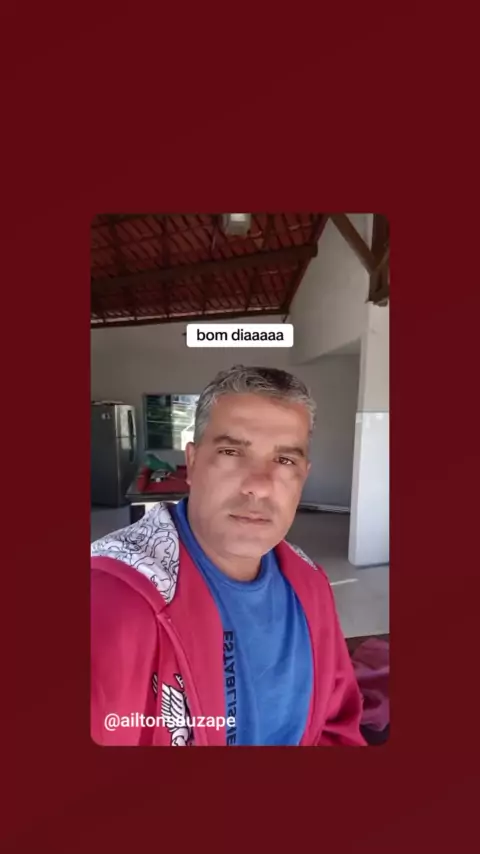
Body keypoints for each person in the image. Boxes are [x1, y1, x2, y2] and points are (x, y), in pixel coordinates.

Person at [91, 365, 365, 746]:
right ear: (192, 462)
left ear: (303, 475)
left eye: (285, 461)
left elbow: (337, 724)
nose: (259, 486)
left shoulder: (311, 585)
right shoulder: (108, 597)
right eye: (232, 452)